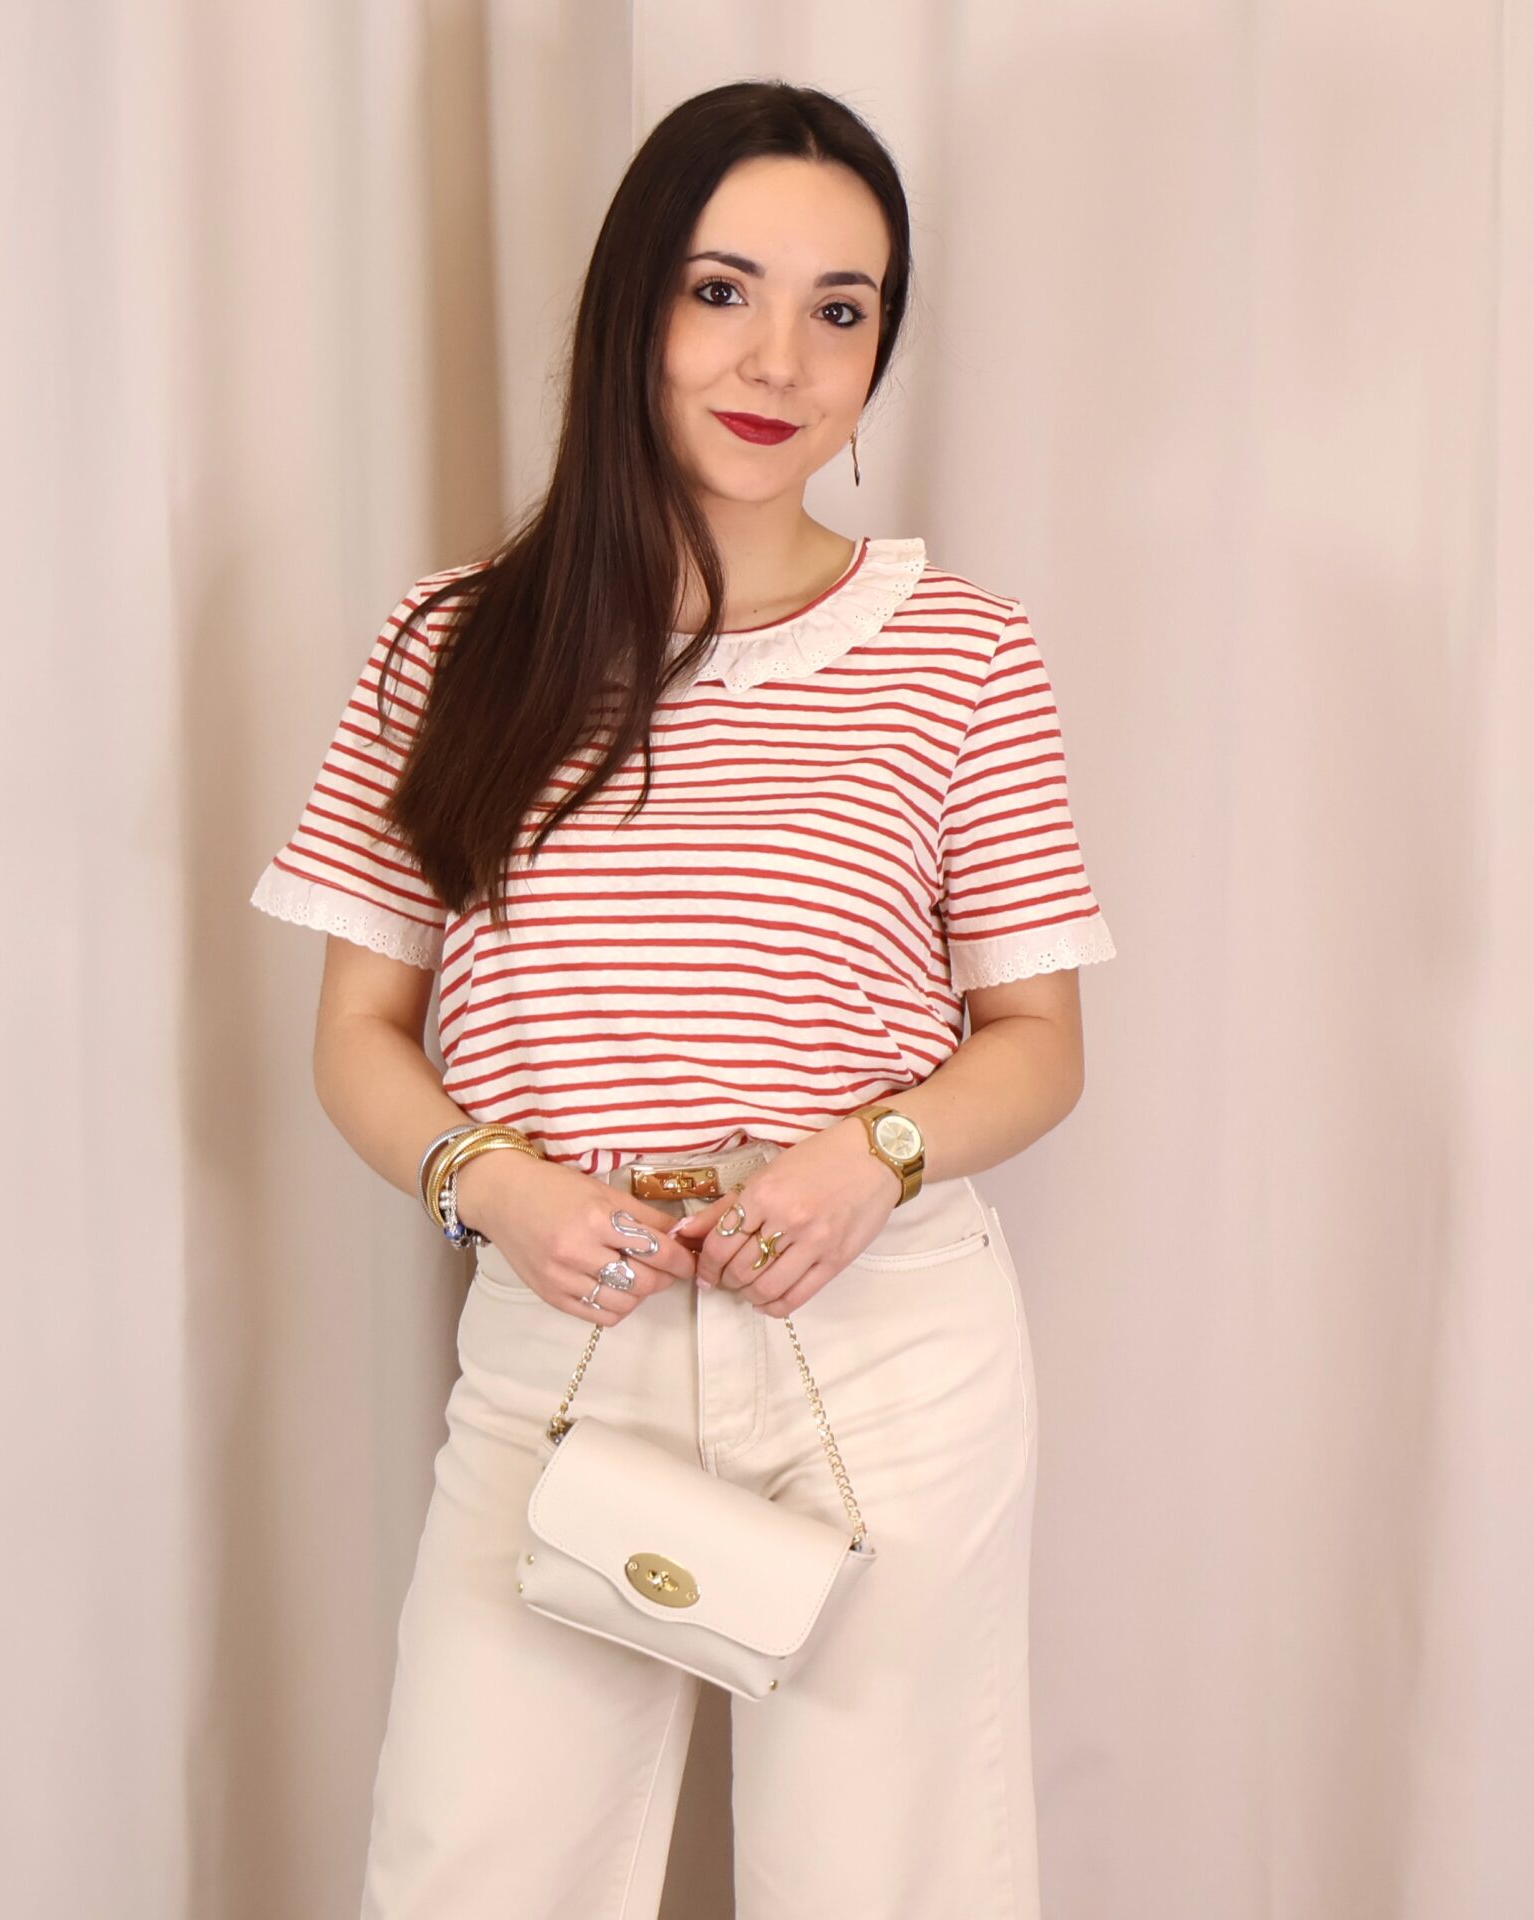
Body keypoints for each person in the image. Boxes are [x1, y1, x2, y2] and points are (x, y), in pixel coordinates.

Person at [250, 77, 1116, 1920]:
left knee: (887, 1886)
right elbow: (357, 1036)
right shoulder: (453, 643)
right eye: (722, 290)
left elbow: (1039, 1045)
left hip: (882, 1348)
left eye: (840, 309)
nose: (779, 360)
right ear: (630, 303)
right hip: (566, 1341)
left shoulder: (960, 649)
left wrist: (872, 1157)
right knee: (474, 1869)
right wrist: (492, 1185)